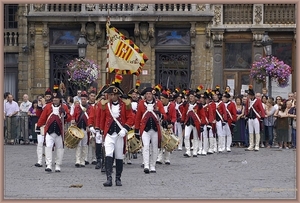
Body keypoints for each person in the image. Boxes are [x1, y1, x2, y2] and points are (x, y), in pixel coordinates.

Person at [100, 75, 134, 186]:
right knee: (108, 154)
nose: (111, 96)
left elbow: (131, 117)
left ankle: (118, 178)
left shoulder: (125, 104)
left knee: (119, 156)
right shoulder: (105, 105)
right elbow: (102, 119)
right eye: (110, 94)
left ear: (117, 95)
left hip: (120, 134)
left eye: (113, 95)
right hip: (109, 134)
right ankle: (109, 178)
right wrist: (100, 131)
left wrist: (126, 128)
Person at [36, 90, 71, 172]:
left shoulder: (64, 107)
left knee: (59, 148)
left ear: (59, 99)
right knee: (48, 147)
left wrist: (65, 114)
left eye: (56, 99)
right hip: (49, 131)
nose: (55, 100)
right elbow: (43, 117)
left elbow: (69, 118)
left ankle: (58, 165)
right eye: (54, 99)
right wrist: (38, 125)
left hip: (59, 132)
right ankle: (49, 165)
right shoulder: (48, 106)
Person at [135, 86, 166, 173]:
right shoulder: (141, 103)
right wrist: (136, 130)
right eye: (147, 94)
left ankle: (153, 165)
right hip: (145, 129)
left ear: (152, 95)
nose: (148, 95)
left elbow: (164, 115)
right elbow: (138, 117)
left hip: (155, 130)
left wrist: (159, 113)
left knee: (155, 148)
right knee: (146, 147)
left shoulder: (158, 103)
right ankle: (146, 165)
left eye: (149, 94)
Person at [71, 91, 94, 168]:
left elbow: (91, 117)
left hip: (85, 128)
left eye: (84, 99)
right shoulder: (77, 107)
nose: (83, 100)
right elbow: (74, 115)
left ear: (87, 99)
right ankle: (77, 160)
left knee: (85, 145)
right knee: (78, 145)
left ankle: (83, 160)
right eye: (82, 99)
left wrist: (89, 126)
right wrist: (73, 120)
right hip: (78, 128)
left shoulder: (90, 108)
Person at [181, 90, 206, 157]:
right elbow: (184, 113)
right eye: (190, 96)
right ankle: (188, 151)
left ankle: (195, 151)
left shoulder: (199, 105)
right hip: (188, 122)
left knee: (195, 137)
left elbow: (202, 115)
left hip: (196, 123)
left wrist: (202, 124)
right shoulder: (187, 105)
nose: (191, 98)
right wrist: (182, 121)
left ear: (195, 97)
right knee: (186, 136)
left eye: (192, 96)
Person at [156, 90, 176, 164]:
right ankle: (159, 157)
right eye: (160, 98)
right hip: (160, 124)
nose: (161, 100)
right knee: (160, 141)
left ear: (167, 99)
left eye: (163, 98)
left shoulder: (172, 106)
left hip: (168, 124)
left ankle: (167, 158)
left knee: (168, 141)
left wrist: (172, 124)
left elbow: (174, 117)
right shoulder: (158, 105)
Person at [34, 88, 52, 167]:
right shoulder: (41, 104)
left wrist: (44, 105)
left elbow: (48, 114)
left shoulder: (51, 104)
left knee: (48, 144)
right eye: (46, 96)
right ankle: (39, 161)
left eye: (49, 96)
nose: (47, 98)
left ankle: (48, 161)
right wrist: (39, 105)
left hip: (48, 125)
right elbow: (38, 114)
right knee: (40, 143)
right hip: (41, 125)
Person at [245, 85, 265, 151]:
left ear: (252, 95)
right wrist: (246, 115)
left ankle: (257, 145)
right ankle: (251, 145)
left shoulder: (258, 101)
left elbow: (261, 109)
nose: (248, 96)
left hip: (256, 118)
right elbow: (246, 108)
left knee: (257, 132)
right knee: (250, 132)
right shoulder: (248, 100)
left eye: (249, 95)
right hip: (250, 118)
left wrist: (262, 117)